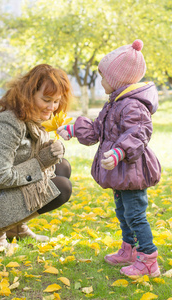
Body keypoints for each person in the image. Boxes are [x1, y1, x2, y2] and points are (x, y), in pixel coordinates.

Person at [57, 40, 161, 278]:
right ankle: (130, 250)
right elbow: (98, 129)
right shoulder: (115, 102)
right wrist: (73, 129)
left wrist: (119, 152)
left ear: (118, 79)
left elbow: (139, 132)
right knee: (123, 212)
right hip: (120, 171)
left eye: (103, 77)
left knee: (135, 214)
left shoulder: (132, 104)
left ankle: (148, 259)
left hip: (132, 170)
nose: (101, 81)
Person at [0, 63, 72, 248]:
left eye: (56, 101)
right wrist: (42, 161)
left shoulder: (33, 116)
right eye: (46, 99)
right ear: (29, 93)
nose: (52, 107)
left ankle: (16, 229)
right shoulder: (8, 122)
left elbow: (28, 154)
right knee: (62, 187)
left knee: (62, 166)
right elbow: (1, 177)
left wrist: (54, 150)